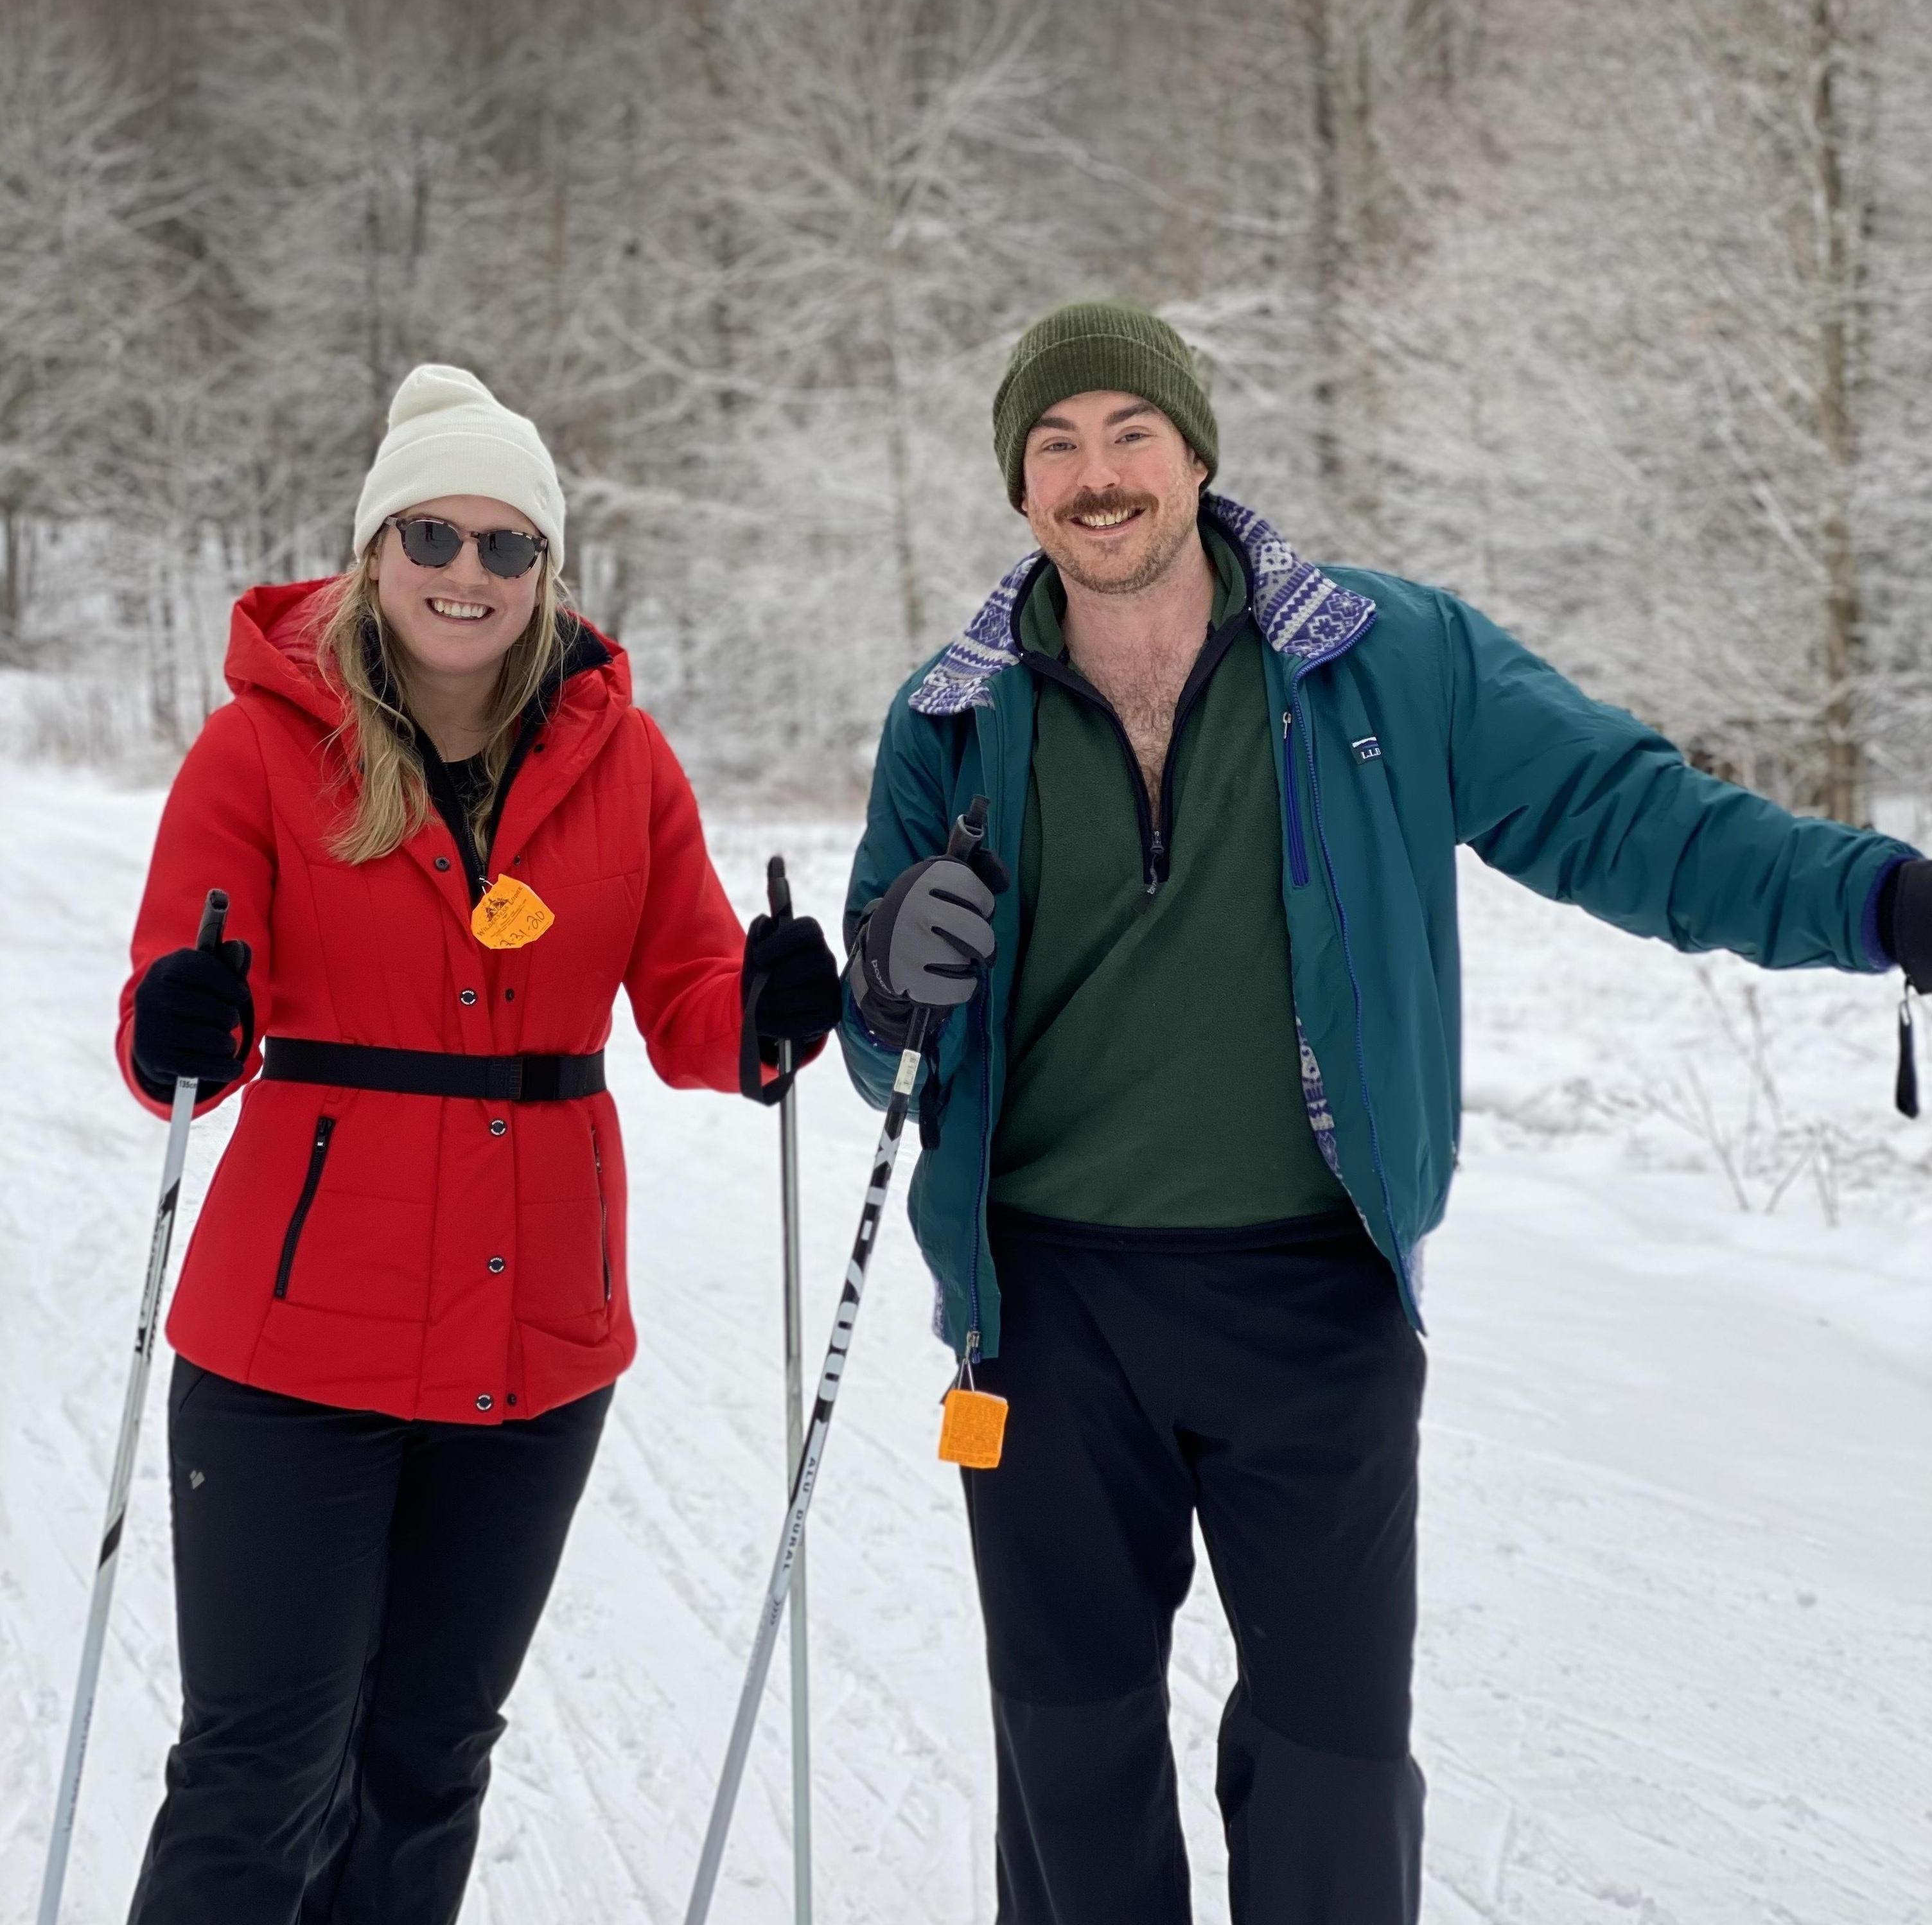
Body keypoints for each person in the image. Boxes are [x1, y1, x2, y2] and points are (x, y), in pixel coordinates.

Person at [838, 301, 1932, 1925]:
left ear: (1196, 455)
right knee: (1070, 1775)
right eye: (1054, 446)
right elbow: (882, 1047)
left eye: (1128, 433)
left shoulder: (1384, 658)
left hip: (1312, 1292)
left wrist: (1879, 902)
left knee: (1335, 1773)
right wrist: (888, 980)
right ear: (1019, 491)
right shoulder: (950, 714)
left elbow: (1625, 817)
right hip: (1045, 1310)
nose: (1096, 474)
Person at [116, 363, 841, 1921]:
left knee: (431, 1758)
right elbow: (179, 1018)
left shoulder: (623, 765)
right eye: (433, 535)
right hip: (290, 1356)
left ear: (548, 572)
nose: (466, 573)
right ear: (376, 548)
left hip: (535, 1351)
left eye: (506, 546)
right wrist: (179, 1020)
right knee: (262, 1765)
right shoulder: (257, 752)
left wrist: (772, 1013)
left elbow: (695, 1001)